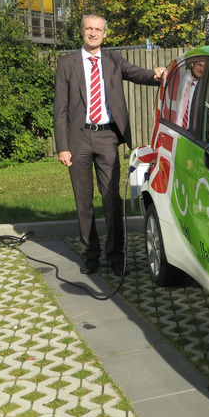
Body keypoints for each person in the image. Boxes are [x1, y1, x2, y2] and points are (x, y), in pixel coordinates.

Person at [54, 14, 165, 275]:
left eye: (98, 30)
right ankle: (90, 255)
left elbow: (137, 74)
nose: (93, 33)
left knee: (112, 199)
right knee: (83, 201)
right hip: (77, 139)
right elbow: (60, 108)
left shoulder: (114, 60)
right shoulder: (66, 64)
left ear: (105, 34)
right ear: (81, 32)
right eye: (89, 29)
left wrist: (158, 74)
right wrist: (63, 146)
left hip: (107, 138)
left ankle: (116, 255)